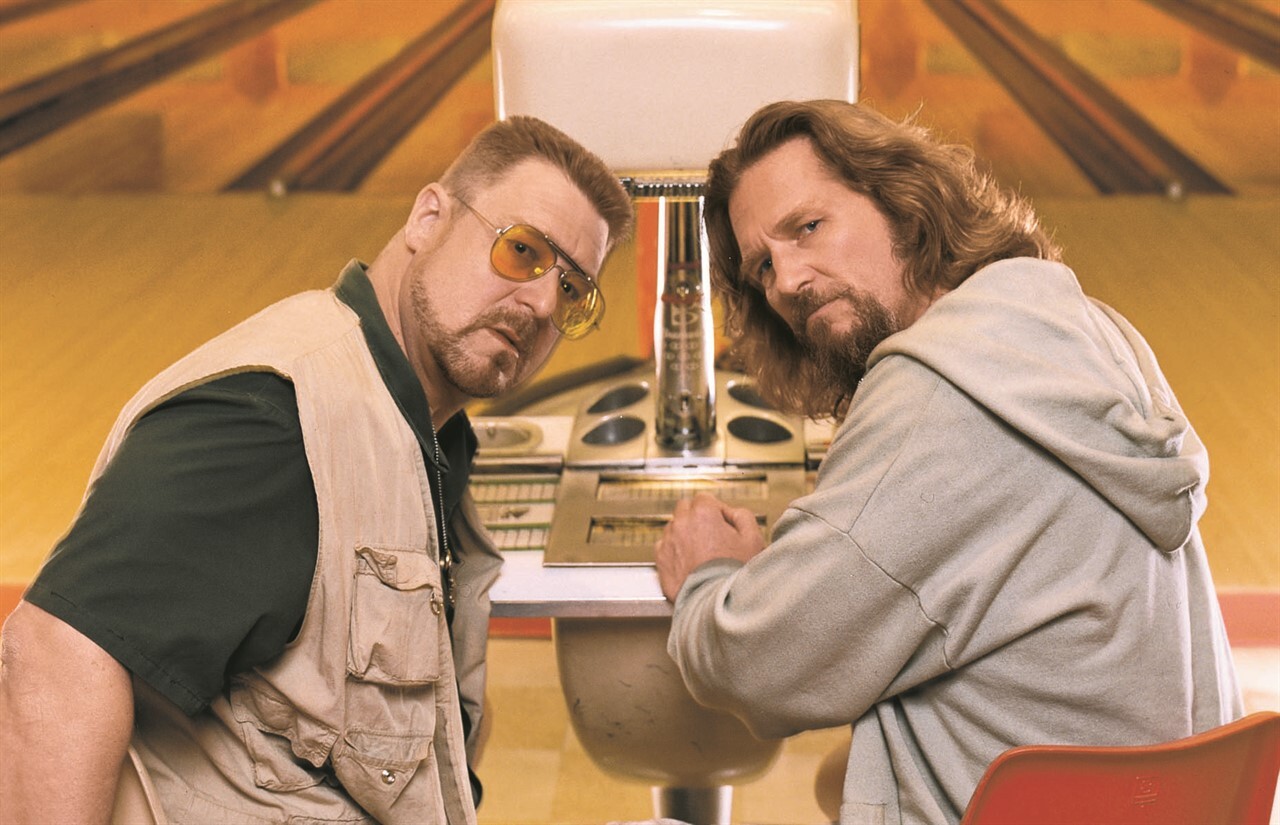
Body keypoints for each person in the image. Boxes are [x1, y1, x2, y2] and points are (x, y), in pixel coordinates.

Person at [0, 116, 633, 824]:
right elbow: (51, 656)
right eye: (522, 252)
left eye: (572, 291)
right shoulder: (277, 420)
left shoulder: (425, 432)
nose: (543, 303)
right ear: (428, 218)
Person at [653, 99, 1242, 825]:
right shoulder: (1081, 324)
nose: (789, 280)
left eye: (808, 227)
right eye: (762, 266)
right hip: (1166, 803)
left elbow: (761, 665)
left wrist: (710, 576)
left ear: (903, 203)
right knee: (843, 773)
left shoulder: (932, 394)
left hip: (1037, 810)